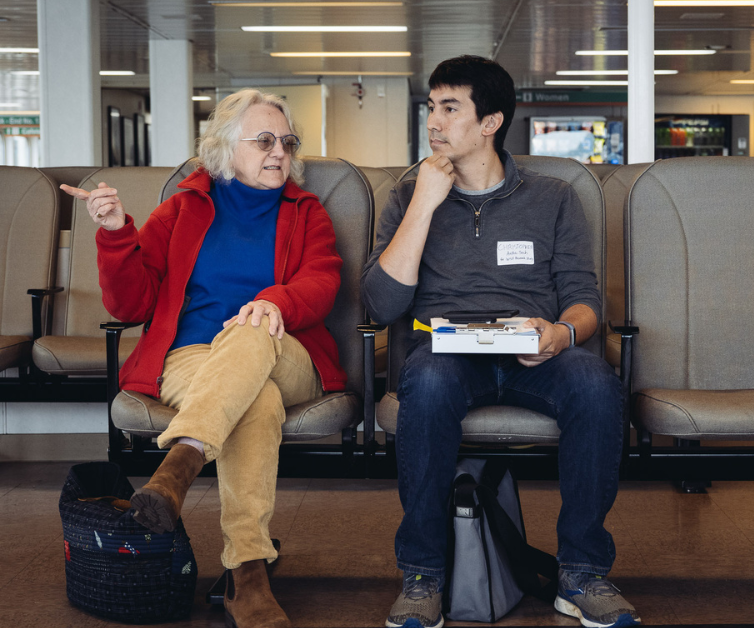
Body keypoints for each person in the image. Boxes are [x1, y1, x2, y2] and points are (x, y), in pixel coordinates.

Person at [362, 55, 639, 628]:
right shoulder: (407, 197)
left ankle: (582, 572)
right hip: (446, 352)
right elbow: (381, 305)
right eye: (431, 108)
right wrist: (423, 202)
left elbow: (586, 301)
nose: (434, 123)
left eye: (450, 108)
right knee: (431, 382)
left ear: (490, 122)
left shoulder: (553, 197)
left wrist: (562, 334)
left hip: (531, 352)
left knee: (596, 384)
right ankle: (423, 575)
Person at [63, 89, 344, 628]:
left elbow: (322, 283)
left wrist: (271, 302)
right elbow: (132, 303)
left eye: (287, 142)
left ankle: (175, 471)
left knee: (250, 327)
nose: (279, 152)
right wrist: (116, 231)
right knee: (253, 403)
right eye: (264, 140)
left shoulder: (307, 212)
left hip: (288, 351)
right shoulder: (183, 209)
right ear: (223, 148)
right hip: (192, 358)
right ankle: (249, 576)